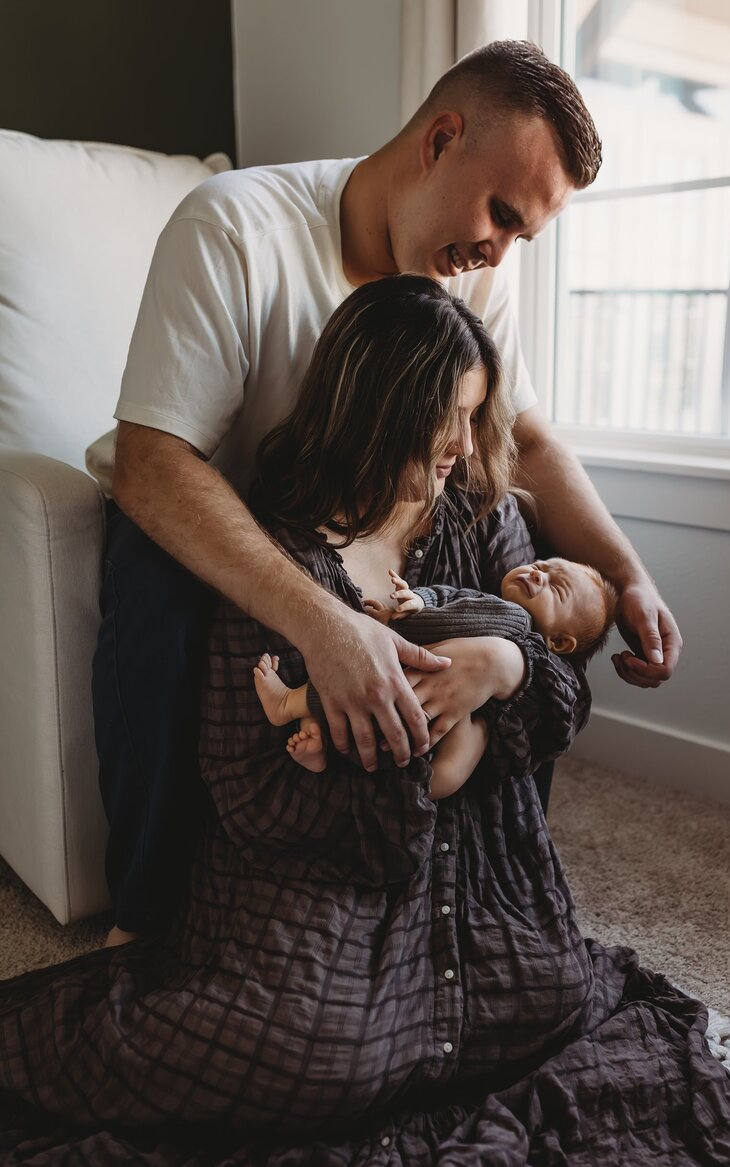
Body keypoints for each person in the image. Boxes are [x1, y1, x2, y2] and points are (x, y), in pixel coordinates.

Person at [1, 275, 730, 1167]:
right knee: (319, 1059)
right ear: (379, 406)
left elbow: (563, 701)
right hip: (323, 879)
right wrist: (398, 770)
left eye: (474, 416)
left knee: (551, 998)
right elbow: (247, 787)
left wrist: (503, 671)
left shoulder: (483, 519)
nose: (464, 444)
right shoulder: (280, 559)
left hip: (487, 873)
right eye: (445, 419)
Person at [86, 39, 682, 947]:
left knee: (513, 542)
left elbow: (522, 435)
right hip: (240, 518)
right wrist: (327, 625)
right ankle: (149, 913)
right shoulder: (237, 227)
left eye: (523, 235)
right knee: (150, 568)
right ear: (441, 138)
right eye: (501, 214)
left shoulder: (476, 268)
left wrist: (622, 570)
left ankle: (496, 894)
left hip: (380, 531)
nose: (500, 249)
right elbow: (151, 462)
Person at [253, 556, 619, 796]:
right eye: (542, 565)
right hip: (428, 711)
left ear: (558, 641)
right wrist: (419, 599)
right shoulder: (485, 599)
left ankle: (289, 703)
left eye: (555, 588)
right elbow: (450, 598)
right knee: (452, 734)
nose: (538, 574)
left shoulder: (516, 619)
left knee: (363, 681)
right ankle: (428, 784)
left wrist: (415, 614)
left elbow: (452, 616)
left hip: (424, 694)